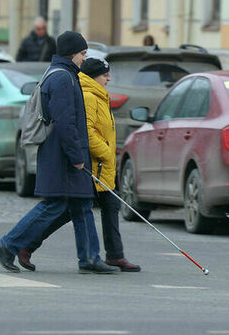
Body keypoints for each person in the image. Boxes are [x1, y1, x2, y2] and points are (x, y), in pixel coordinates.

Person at [0, 31, 117, 274]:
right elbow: (64, 122)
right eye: (82, 54)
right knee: (55, 204)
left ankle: (90, 258)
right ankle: (8, 244)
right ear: (71, 53)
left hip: (65, 153)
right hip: (63, 155)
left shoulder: (65, 75)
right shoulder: (62, 79)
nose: (84, 58)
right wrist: (77, 157)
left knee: (82, 204)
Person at [18, 58, 141, 272]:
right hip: (91, 166)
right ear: (94, 77)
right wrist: (106, 153)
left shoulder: (100, 95)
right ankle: (27, 245)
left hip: (103, 165)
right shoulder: (88, 96)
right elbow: (87, 133)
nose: (109, 78)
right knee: (68, 211)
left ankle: (114, 256)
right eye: (105, 75)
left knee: (109, 206)